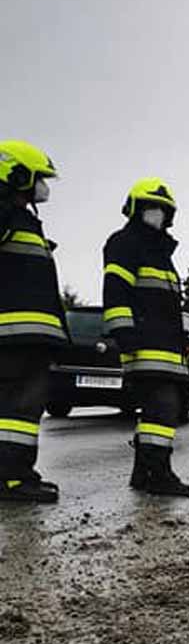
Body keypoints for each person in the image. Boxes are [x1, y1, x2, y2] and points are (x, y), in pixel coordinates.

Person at [102, 177, 189, 500]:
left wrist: (181, 336)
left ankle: (144, 473)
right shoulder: (125, 243)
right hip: (144, 347)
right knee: (162, 410)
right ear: (136, 210)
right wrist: (124, 334)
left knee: (159, 410)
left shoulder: (161, 254)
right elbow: (116, 292)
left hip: (164, 348)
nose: (158, 214)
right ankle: (158, 474)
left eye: (163, 210)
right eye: (152, 208)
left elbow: (165, 306)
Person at [0, 140, 66, 503]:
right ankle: (11, 479)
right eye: (39, 177)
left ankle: (17, 473)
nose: (43, 187)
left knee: (21, 408)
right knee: (19, 408)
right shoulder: (5, 211)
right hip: (15, 334)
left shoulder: (21, 217)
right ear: (18, 174)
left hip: (27, 334)